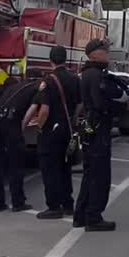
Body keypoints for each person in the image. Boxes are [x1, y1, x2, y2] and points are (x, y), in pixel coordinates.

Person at [73, 38, 129, 233]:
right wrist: (123, 107)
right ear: (96, 53)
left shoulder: (87, 73)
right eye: (106, 50)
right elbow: (100, 104)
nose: (108, 53)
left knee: (90, 173)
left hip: (90, 128)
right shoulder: (97, 75)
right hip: (99, 129)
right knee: (100, 175)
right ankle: (93, 217)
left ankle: (80, 214)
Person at [32, 46, 80, 219]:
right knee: (65, 167)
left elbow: (44, 109)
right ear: (65, 59)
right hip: (67, 129)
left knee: (50, 169)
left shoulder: (49, 81)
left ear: (50, 60)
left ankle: (53, 206)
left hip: (51, 131)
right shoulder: (75, 78)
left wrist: (39, 126)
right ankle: (68, 204)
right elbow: (80, 104)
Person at [0, 75, 40, 212]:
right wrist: (23, 127)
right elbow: (33, 108)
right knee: (16, 166)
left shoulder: (11, 89)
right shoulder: (35, 88)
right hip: (12, 127)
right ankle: (18, 203)